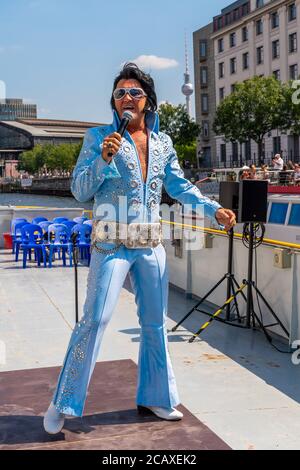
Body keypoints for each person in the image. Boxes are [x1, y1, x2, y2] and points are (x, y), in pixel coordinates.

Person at [43, 63, 236, 434]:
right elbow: (80, 189)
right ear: (113, 103)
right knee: (94, 320)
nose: (126, 98)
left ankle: (157, 396)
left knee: (154, 324)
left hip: (150, 246)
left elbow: (179, 186)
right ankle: (63, 401)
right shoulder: (98, 138)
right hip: (111, 244)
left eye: (134, 92)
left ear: (148, 100)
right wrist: (103, 158)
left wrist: (213, 210)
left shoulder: (163, 143)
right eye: (119, 93)